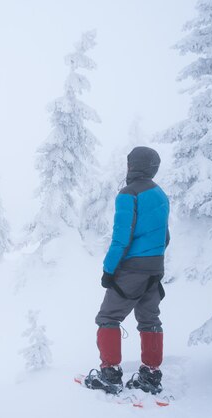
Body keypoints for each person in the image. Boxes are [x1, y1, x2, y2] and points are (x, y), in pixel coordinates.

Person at [83, 146, 170, 395]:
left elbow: (121, 238)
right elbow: (165, 236)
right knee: (150, 319)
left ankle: (109, 374)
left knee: (108, 317)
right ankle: (151, 375)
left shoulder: (128, 194)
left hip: (132, 269)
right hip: (155, 268)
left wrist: (109, 270)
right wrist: (154, 262)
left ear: (132, 166)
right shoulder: (161, 194)